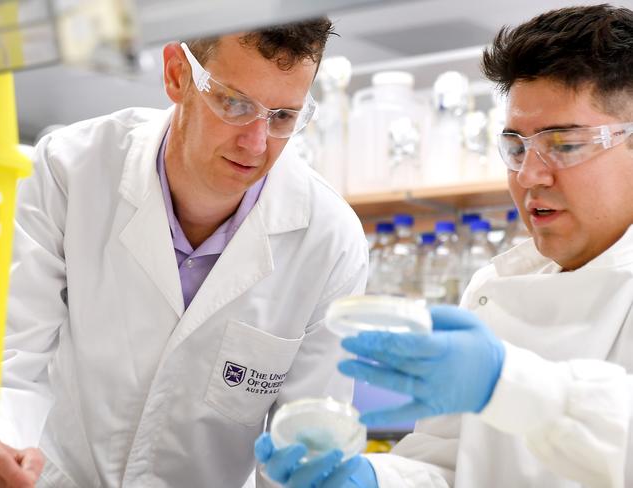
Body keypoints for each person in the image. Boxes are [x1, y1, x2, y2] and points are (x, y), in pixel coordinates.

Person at [255, 4, 633, 487]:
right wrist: (368, 478)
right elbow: (449, 467)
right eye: (516, 146)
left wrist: (506, 383)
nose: (529, 174)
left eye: (564, 143)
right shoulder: (495, 286)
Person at [0, 18, 369, 487]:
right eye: (235, 103)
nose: (255, 144)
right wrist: (4, 450)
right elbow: (10, 359)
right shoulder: (69, 169)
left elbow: (307, 451)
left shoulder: (330, 241)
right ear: (176, 74)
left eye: (283, 117)